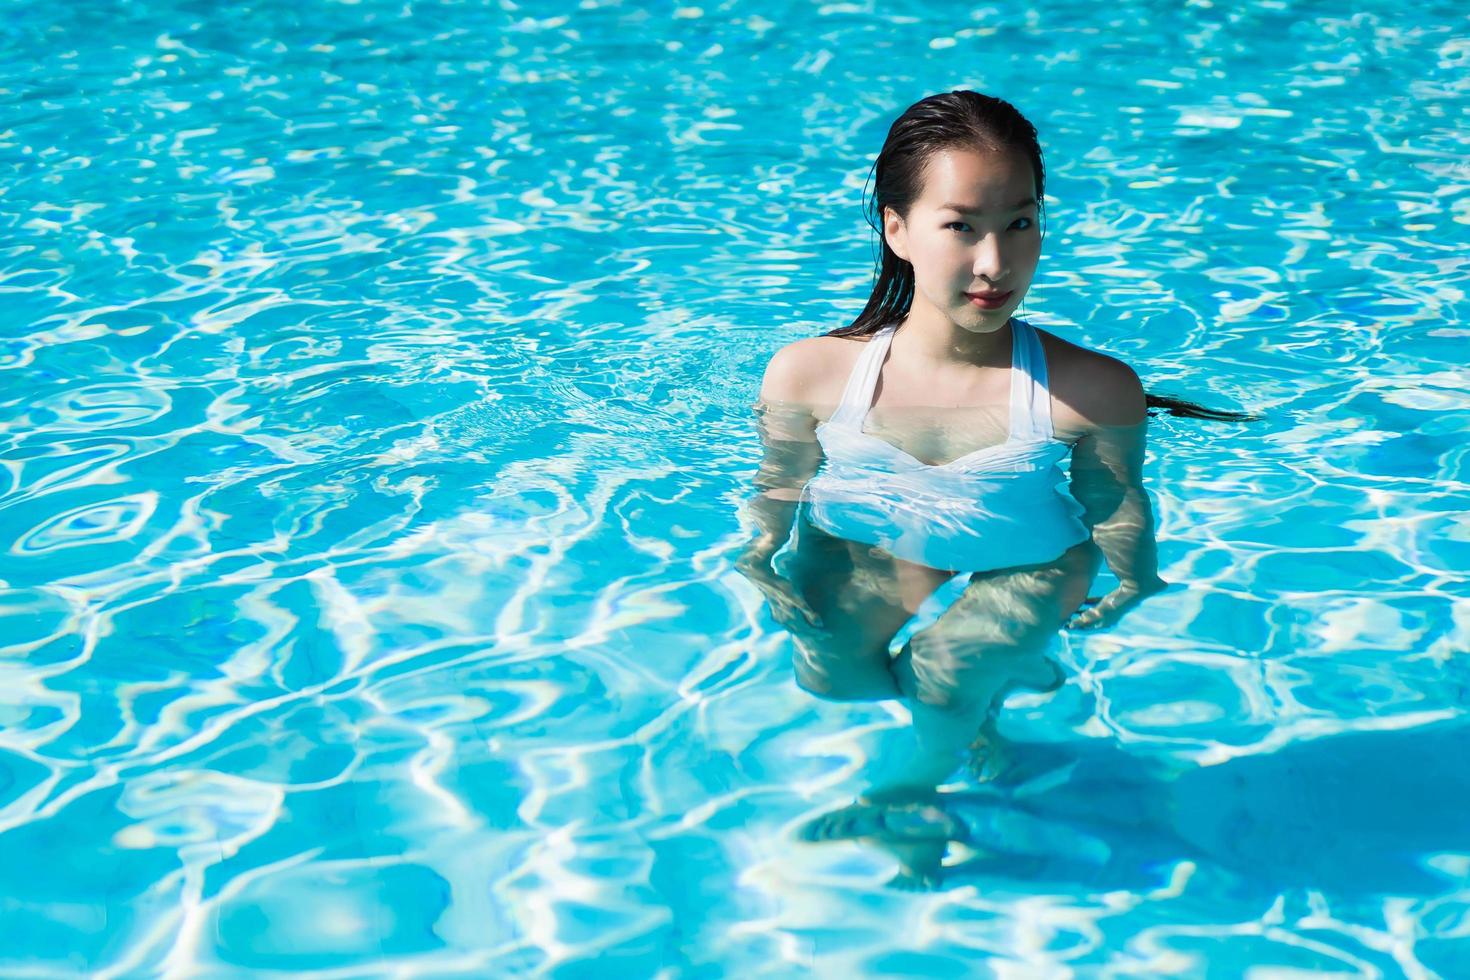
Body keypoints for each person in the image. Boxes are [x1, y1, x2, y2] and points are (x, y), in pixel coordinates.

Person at [735, 90, 1257, 886]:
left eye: (1020, 222)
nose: (995, 263)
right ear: (896, 227)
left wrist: (1136, 578)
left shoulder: (1089, 389)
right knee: (832, 677)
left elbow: (1115, 501)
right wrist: (760, 554)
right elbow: (781, 479)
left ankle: (908, 793)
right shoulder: (810, 373)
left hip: (1029, 562)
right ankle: (1000, 677)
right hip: (869, 544)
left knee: (939, 681)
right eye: (962, 225)